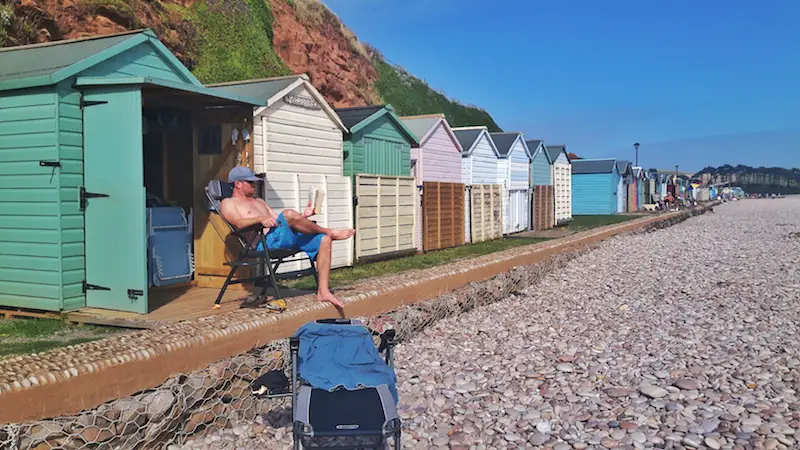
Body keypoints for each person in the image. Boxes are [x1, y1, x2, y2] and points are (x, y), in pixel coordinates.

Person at [219, 166, 355, 308]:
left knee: (323, 240)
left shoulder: (259, 201)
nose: (255, 185)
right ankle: (330, 232)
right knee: (288, 214)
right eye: (250, 182)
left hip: (280, 237)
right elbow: (238, 223)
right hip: (264, 243)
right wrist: (259, 219)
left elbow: (279, 221)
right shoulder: (228, 203)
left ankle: (324, 291)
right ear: (238, 183)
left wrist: (304, 216)